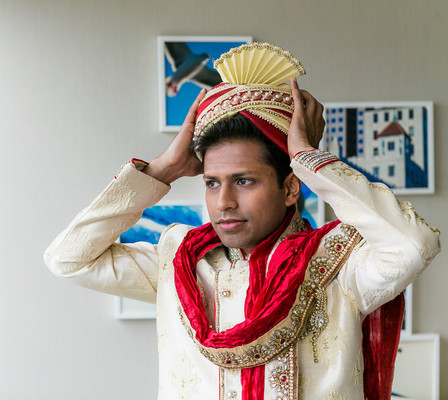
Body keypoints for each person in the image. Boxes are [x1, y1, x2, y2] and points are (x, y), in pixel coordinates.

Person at [44, 43, 440, 400]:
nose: (223, 202)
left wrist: (307, 160)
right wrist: (161, 170)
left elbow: (415, 244)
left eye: (244, 181)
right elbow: (68, 259)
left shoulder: (339, 265)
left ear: (290, 188)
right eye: (212, 183)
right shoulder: (178, 262)